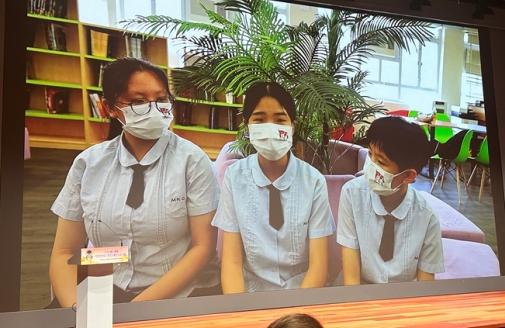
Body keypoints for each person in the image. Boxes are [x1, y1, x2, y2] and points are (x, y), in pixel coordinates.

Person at [48, 57, 221, 307]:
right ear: (109, 107)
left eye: (162, 99)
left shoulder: (192, 161)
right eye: (138, 101)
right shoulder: (88, 164)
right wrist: (77, 311)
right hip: (106, 286)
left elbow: (203, 248)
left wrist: (133, 312)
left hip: (177, 294)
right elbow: (65, 252)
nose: (154, 109)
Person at [212, 82, 335, 293]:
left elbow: (319, 265)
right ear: (247, 127)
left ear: (292, 127)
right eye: (259, 120)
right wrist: (240, 308)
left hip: (301, 291)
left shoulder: (313, 181)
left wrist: (297, 311)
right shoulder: (234, 177)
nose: (270, 128)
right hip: (250, 292)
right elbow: (231, 262)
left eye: (280, 120)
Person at [337, 115, 445, 285]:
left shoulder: (427, 218)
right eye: (370, 154)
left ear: (408, 176)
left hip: (402, 293)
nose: (370, 165)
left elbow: (425, 285)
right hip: (359, 287)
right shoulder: (352, 194)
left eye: (381, 162)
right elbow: (351, 274)